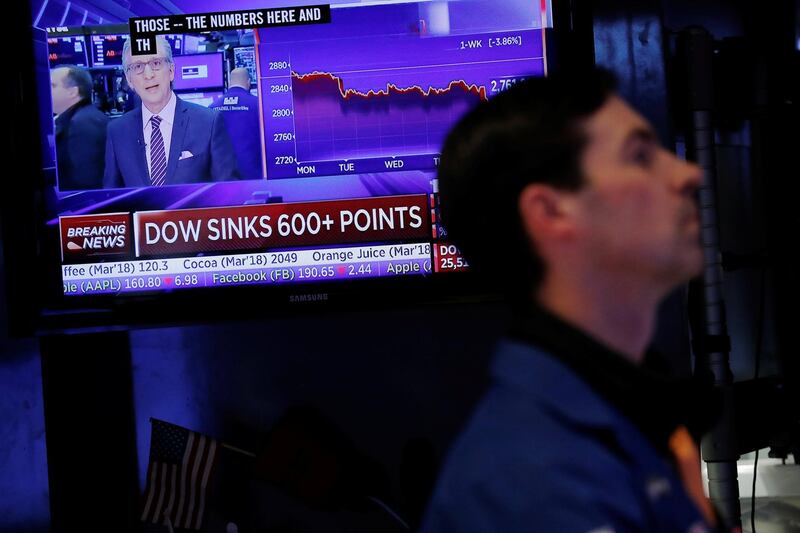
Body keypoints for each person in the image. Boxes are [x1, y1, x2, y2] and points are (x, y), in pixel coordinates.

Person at [421, 68, 730, 532]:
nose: (689, 172)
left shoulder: (628, 417)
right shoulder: (530, 483)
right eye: (641, 155)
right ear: (550, 212)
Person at [103, 36, 240, 188]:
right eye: (138, 67)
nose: (148, 75)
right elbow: (112, 199)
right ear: (129, 80)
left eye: (156, 63)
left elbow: (229, 194)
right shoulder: (117, 131)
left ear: (171, 71)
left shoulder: (209, 122)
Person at [51, 65, 108, 190]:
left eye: (53, 86)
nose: (48, 91)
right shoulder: (81, 117)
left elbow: (86, 182)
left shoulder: (83, 123)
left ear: (73, 92)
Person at [210, 67, 263, 179]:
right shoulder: (259, 104)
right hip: (253, 177)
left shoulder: (211, 108)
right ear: (248, 82)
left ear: (229, 82)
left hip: (222, 180)